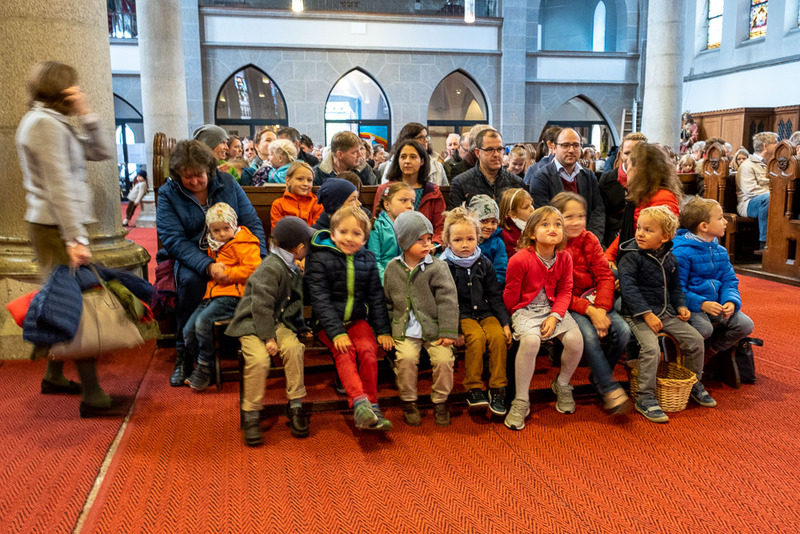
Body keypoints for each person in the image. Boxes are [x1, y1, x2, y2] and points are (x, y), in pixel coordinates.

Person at [15, 61, 121, 417]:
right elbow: (58, 185)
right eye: (73, 86)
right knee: (75, 308)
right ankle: (92, 395)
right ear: (60, 89)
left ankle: (54, 375)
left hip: (58, 225)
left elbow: (102, 151)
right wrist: (75, 237)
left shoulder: (55, 122)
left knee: (63, 299)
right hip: (55, 228)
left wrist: (87, 114)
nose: (78, 91)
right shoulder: (43, 124)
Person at [157, 140, 267, 387]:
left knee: (255, 276)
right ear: (177, 175)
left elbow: (251, 222)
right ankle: (184, 352)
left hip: (233, 250)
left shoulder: (227, 183)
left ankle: (230, 339)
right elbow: (173, 239)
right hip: (193, 254)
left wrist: (260, 258)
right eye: (187, 177)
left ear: (209, 169)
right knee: (191, 281)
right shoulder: (169, 193)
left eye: (199, 175)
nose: (195, 182)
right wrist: (207, 265)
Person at [618, 205, 715, 423]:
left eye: (648, 230)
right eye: (639, 228)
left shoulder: (670, 258)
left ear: (664, 237)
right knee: (651, 348)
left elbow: (675, 288)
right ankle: (645, 397)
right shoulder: (631, 257)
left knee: (695, 340)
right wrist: (646, 314)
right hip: (637, 314)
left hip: (665, 312)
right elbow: (629, 289)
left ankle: (693, 384)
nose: (640, 233)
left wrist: (680, 306)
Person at [226, 217, 314, 445]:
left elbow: (293, 303)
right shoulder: (271, 267)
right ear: (299, 248)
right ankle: (252, 413)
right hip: (253, 323)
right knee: (259, 360)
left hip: (276, 323)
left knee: (294, 349)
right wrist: (268, 338)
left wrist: (301, 328)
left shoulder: (291, 266)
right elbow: (261, 305)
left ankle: (296, 405)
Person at [306, 205, 394, 431]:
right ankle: (359, 403)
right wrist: (337, 333)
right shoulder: (319, 258)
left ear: (365, 239)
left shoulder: (368, 259)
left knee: (368, 349)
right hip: (328, 323)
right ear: (333, 233)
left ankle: (373, 405)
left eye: (356, 233)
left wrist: (383, 330)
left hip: (356, 319)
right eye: (343, 232)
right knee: (345, 351)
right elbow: (320, 299)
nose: (349, 238)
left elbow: (375, 298)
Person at [503, 206, 584, 430]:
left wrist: (555, 316)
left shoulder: (564, 257)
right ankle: (521, 400)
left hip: (552, 309)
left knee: (576, 340)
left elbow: (565, 290)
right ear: (531, 233)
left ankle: (562, 384)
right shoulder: (520, 259)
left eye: (557, 224)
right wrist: (511, 318)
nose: (552, 229)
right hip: (524, 310)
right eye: (545, 225)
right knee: (531, 341)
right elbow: (510, 295)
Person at [550, 193, 631, 414]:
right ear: (556, 219)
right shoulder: (553, 246)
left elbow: (605, 276)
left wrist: (601, 309)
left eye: (581, 216)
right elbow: (557, 292)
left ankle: (598, 377)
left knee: (623, 331)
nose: (577, 222)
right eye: (569, 217)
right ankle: (608, 387)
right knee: (588, 336)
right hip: (570, 304)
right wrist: (591, 311)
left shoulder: (590, 239)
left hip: (596, 299)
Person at [383, 211, 458, 426]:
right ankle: (408, 401)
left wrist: (448, 331)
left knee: (444, 360)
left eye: (429, 238)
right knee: (406, 359)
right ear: (405, 242)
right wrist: (388, 331)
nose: (427, 244)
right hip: (404, 329)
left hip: (434, 329)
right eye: (420, 240)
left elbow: (448, 301)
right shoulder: (392, 268)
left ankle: (440, 401)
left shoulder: (438, 267)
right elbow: (387, 302)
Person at [183, 203, 261, 390]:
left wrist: (229, 275)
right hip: (212, 294)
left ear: (234, 225)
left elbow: (255, 269)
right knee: (188, 331)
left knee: (203, 322)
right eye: (216, 230)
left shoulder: (244, 242)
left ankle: (205, 368)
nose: (222, 234)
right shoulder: (214, 245)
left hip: (234, 296)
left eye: (226, 228)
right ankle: (202, 364)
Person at [441, 208, 511, 416]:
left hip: (486, 312)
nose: (465, 244)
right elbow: (445, 302)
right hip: (462, 315)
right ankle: (474, 388)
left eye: (470, 239)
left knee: (498, 337)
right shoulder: (444, 266)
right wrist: (454, 330)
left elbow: (495, 295)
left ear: (478, 238)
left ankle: (498, 388)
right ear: (448, 241)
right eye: (458, 240)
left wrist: (505, 323)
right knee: (477, 338)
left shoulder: (484, 262)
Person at [673, 198, 754, 359]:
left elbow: (729, 281)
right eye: (720, 218)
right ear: (704, 226)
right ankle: (684, 358)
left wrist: (730, 301)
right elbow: (676, 289)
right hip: (692, 307)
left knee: (745, 325)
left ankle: (711, 351)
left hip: (717, 304)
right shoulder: (681, 252)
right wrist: (702, 304)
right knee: (704, 329)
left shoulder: (720, 251)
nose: (725, 222)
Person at [605, 141, 682, 264]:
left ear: (640, 169)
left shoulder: (662, 197)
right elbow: (628, 231)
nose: (626, 170)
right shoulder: (643, 194)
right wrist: (609, 256)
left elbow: (655, 240)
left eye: (628, 164)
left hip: (648, 263)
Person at [528, 128, 605, 242]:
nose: (571, 150)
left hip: (587, 241)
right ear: (554, 148)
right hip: (556, 243)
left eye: (576, 145)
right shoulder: (540, 177)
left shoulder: (588, 176)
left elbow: (597, 211)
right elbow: (543, 218)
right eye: (565, 145)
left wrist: (590, 240)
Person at [372, 139, 446, 247]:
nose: (407, 161)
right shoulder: (386, 189)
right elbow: (377, 223)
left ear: (422, 161)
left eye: (413, 157)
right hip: (391, 246)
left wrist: (434, 245)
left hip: (426, 247)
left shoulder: (432, 191)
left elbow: (440, 227)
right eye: (403, 157)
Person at [448, 129, 526, 210]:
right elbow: (455, 216)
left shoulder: (516, 183)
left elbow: (526, 214)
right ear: (477, 153)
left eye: (499, 149)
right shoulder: (461, 183)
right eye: (490, 149)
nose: (496, 154)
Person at [598, 132, 647, 247]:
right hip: (613, 239)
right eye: (627, 153)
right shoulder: (607, 180)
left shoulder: (653, 180)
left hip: (645, 237)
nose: (631, 158)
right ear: (620, 154)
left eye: (637, 153)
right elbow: (602, 215)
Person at [736, 131, 778, 255]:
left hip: (768, 200)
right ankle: (764, 243)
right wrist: (777, 195)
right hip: (748, 203)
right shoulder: (747, 165)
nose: (778, 145)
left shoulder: (773, 164)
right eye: (775, 143)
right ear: (765, 146)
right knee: (770, 198)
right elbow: (750, 190)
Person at [368, 181, 415, 281]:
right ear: (387, 205)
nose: (410, 206)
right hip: (384, 279)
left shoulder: (411, 227)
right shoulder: (376, 226)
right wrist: (388, 283)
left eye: (412, 202)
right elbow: (375, 261)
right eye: (404, 200)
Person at [380, 123, 448, 186]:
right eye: (421, 138)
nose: (426, 140)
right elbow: (386, 189)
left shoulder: (436, 165)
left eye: (426, 137)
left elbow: (444, 189)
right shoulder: (393, 163)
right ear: (409, 140)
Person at [270, 161, 323, 229]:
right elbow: (277, 230)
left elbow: (317, 229)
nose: (305, 184)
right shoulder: (278, 204)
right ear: (288, 180)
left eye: (309, 180)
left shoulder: (317, 203)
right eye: (300, 179)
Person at [469, 195, 507, 283]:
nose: (489, 226)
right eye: (484, 221)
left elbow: (501, 271)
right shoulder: (464, 240)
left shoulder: (498, 244)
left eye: (493, 222)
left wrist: (492, 286)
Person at [498, 188, 534, 260]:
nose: (532, 209)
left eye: (531, 204)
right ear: (513, 214)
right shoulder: (506, 235)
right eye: (526, 207)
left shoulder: (534, 225)